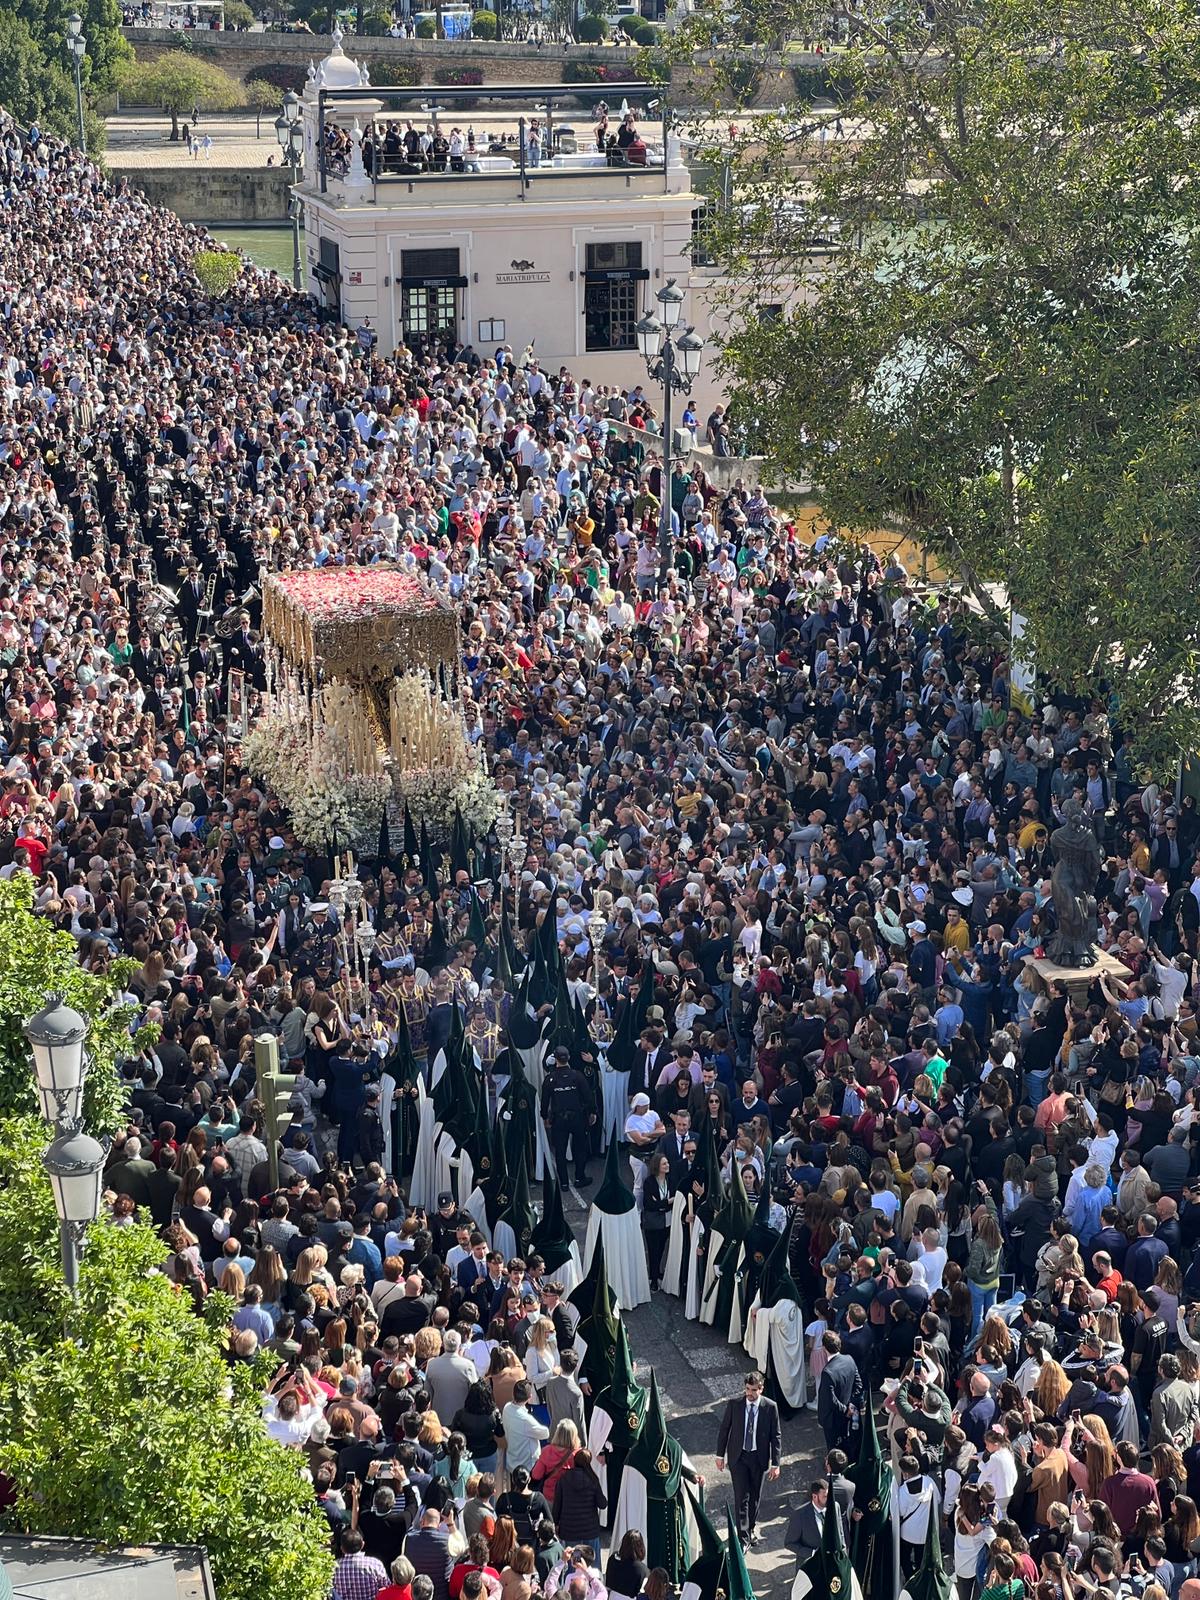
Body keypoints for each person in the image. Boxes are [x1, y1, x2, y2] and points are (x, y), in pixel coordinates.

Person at [714, 1370, 782, 1545]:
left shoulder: (770, 1407)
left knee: (755, 1497)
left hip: (758, 1458)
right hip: (739, 1457)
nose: (750, 1394)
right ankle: (743, 1537)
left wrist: (776, 1463)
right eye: (747, 1389)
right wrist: (720, 1455)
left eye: (753, 1390)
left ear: (761, 1389)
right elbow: (724, 1430)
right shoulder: (735, 1405)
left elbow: (776, 1436)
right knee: (741, 1497)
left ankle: (750, 1528)